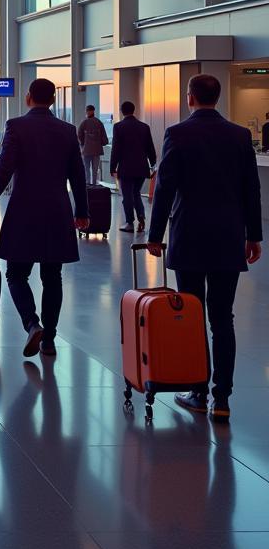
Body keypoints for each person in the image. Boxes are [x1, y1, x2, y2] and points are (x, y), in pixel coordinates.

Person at [147, 73, 262, 421]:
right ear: (218, 96)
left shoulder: (177, 134)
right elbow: (251, 190)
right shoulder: (240, 136)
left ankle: (198, 391)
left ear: (190, 98)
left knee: (192, 317)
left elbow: (165, 188)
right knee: (222, 318)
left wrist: (154, 234)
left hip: (190, 237)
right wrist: (253, 236)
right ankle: (222, 398)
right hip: (228, 238)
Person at [0, 77, 89, 358]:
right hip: (57, 211)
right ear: (53, 99)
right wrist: (81, 211)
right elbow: (77, 175)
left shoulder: (17, 127)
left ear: (28, 97)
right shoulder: (67, 130)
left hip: (24, 211)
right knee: (53, 276)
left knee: (16, 273)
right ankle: (49, 340)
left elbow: (4, 169)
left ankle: (32, 324)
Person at [109, 101, 157, 234]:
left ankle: (129, 222)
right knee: (136, 193)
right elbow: (150, 147)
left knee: (127, 195)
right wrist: (153, 164)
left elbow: (116, 149)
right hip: (142, 167)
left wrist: (113, 167)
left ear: (121, 111)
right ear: (134, 110)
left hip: (126, 167)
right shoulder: (144, 127)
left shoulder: (119, 127)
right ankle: (141, 217)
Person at [77, 104, 108, 185]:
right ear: (94, 111)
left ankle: (87, 183)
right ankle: (94, 183)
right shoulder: (99, 122)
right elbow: (104, 137)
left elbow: (79, 135)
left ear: (87, 111)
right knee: (95, 168)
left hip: (86, 149)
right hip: (97, 150)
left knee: (86, 168)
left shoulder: (84, 122)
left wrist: (83, 144)